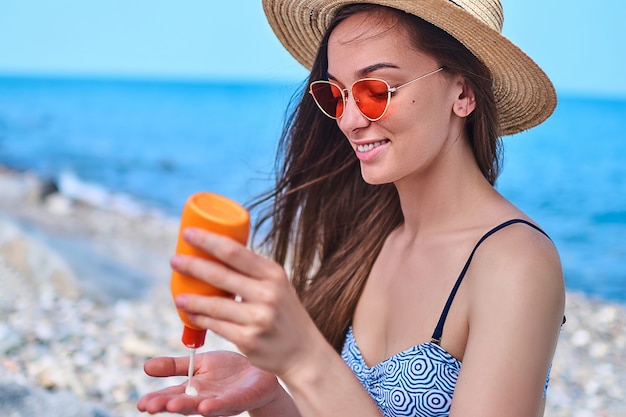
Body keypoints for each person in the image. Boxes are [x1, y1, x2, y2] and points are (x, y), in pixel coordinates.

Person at [137, 0, 565, 416]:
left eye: (375, 90)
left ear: (463, 93)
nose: (348, 120)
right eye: (337, 95)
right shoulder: (371, 239)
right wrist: (272, 399)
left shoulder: (515, 262)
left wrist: (305, 361)